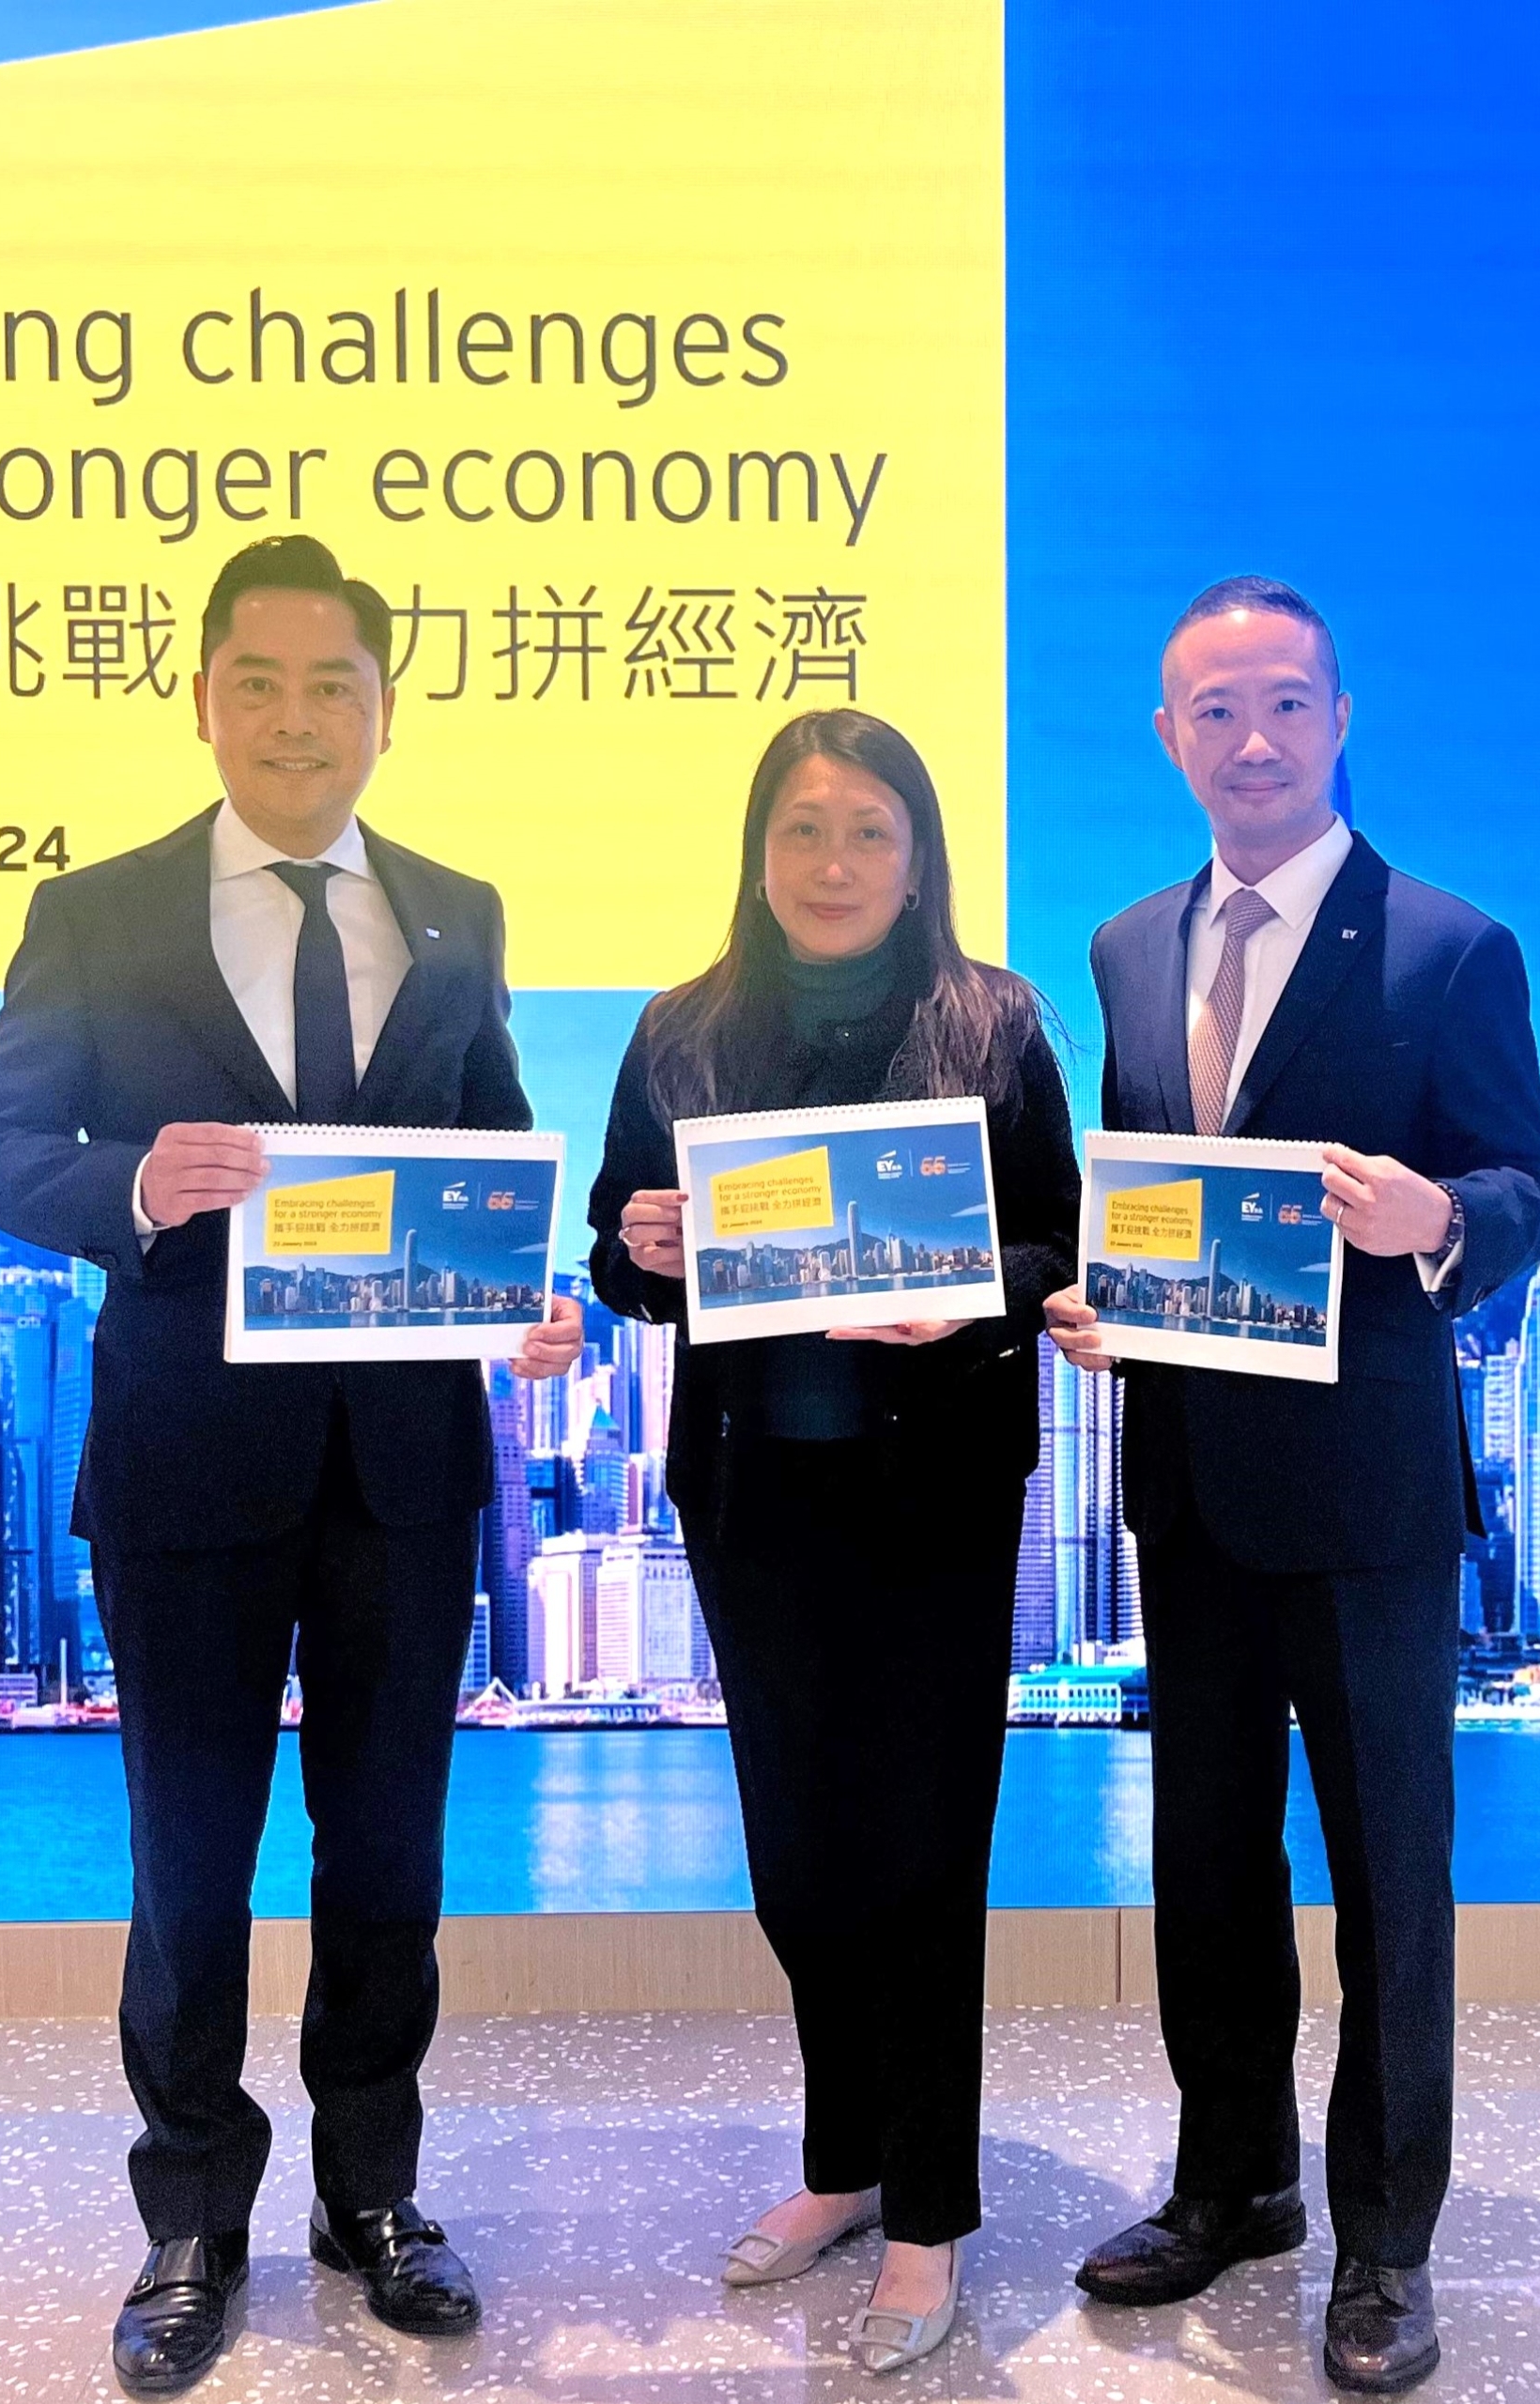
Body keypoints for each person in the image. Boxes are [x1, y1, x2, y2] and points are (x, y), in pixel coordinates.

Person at [0, 533, 584, 2397]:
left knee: (389, 1854)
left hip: (404, 1465)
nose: (298, 718)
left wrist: (527, 1294)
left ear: (386, 710)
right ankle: (191, 2219)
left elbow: (494, 1146)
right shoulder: (99, 911)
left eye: (335, 686)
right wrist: (137, 1182)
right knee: (191, 1861)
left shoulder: (458, 911)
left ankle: (372, 2194)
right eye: (261, 682)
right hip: (187, 1462)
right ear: (205, 699)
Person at [1043, 577, 1540, 2394]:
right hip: (1185, 1485)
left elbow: (1531, 1184)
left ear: (1339, 719)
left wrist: (1442, 1218)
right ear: (1168, 736)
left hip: (1366, 1506)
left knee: (1388, 1883)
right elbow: (1149, 1195)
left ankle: (1387, 2241)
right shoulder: (1125, 949)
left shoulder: (1448, 947)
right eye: (1215, 710)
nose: (1251, 740)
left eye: (1284, 703)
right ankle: (1234, 2181)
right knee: (1205, 1865)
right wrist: (1100, 1303)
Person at [587, 708, 1078, 2375]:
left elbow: (1059, 1243)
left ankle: (929, 2214)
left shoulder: (995, 1023)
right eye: (803, 829)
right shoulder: (680, 1032)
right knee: (799, 1861)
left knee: (925, 1857)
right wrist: (646, 1242)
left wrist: (969, 1295)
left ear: (918, 857)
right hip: (754, 1494)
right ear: (757, 850)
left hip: (937, 1493)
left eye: (871, 830)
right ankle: (844, 2162)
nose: (835, 862)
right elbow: (620, 1256)